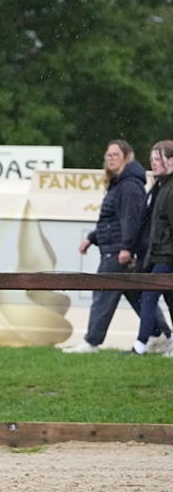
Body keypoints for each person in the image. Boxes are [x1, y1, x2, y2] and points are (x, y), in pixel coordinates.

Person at [63, 139, 164, 353]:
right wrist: (92, 237)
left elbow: (130, 219)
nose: (110, 158)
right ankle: (161, 334)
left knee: (103, 293)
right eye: (108, 155)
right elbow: (112, 221)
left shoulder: (128, 186)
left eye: (115, 154)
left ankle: (91, 342)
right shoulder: (121, 183)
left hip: (117, 252)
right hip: (116, 249)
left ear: (127, 157)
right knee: (137, 294)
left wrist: (126, 248)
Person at [133, 140, 173, 356]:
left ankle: (141, 344)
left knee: (149, 295)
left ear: (171, 160)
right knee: (167, 298)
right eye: (151, 159)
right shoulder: (161, 186)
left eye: (158, 159)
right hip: (159, 253)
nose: (153, 163)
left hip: (167, 255)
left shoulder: (169, 188)